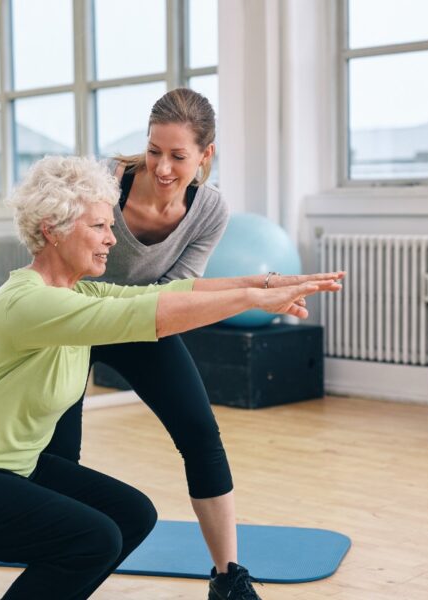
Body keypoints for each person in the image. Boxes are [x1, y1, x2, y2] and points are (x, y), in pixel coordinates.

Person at [0, 155, 343, 600]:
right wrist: (251, 299)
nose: (112, 240)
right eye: (98, 227)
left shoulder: (77, 290)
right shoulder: (29, 303)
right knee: (93, 538)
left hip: (12, 466)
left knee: (132, 515)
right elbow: (151, 314)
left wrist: (264, 285)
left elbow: (167, 292)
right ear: (51, 229)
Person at [44, 87, 319, 599]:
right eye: (153, 151)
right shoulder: (105, 185)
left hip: (141, 320)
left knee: (200, 431)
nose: (163, 168)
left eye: (178, 156)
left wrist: (253, 293)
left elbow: (179, 295)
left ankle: (227, 577)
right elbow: (55, 256)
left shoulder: (209, 210)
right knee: (61, 452)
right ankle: (63, 565)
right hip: (77, 318)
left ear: (205, 155)